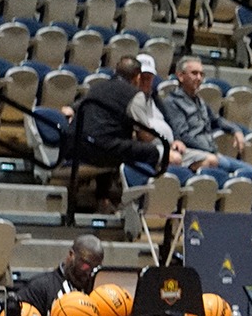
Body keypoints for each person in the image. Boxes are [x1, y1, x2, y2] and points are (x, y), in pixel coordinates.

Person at [74, 56, 176, 209]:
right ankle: (133, 202)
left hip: (77, 145)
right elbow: (145, 135)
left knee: (117, 143)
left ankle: (104, 198)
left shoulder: (97, 87)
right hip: (100, 150)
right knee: (152, 151)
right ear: (137, 76)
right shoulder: (134, 95)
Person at [157, 56, 250, 175]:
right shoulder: (172, 102)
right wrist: (208, 150)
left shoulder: (200, 101)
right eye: (194, 73)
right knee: (223, 165)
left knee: (251, 172)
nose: (199, 78)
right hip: (194, 153)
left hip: (212, 153)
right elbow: (182, 135)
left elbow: (216, 120)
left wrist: (236, 130)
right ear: (180, 76)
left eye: (201, 74)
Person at [13, 235, 105, 316]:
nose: (89, 271)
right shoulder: (40, 286)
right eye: (85, 264)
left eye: (95, 267)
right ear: (71, 255)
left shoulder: (98, 291)